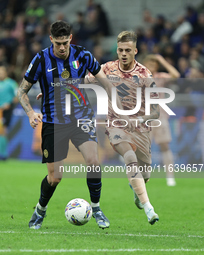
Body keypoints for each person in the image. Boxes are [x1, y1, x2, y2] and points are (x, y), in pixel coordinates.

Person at [17, 20, 134, 230]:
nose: (62, 48)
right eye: (58, 43)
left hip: (82, 118)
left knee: (94, 162)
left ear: (71, 38)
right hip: (54, 122)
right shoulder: (40, 59)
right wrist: (30, 112)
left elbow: (105, 83)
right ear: (51, 39)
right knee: (55, 177)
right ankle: (40, 211)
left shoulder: (83, 55)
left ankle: (97, 208)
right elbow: (21, 91)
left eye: (65, 42)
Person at [86, 31, 160, 225]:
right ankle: (148, 208)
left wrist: (140, 119)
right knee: (129, 157)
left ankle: (138, 192)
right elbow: (82, 81)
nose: (124, 53)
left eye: (128, 50)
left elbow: (156, 112)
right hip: (116, 125)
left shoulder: (145, 74)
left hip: (140, 129)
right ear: (117, 50)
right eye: (120, 50)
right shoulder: (107, 69)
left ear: (135, 51)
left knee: (144, 175)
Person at [143, 54, 180, 186]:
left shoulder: (160, 77)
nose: (152, 66)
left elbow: (176, 74)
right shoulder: (139, 77)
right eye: (150, 63)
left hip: (160, 116)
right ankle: (143, 177)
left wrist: (161, 59)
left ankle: (170, 176)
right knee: (144, 148)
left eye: (155, 64)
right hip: (144, 117)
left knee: (164, 146)